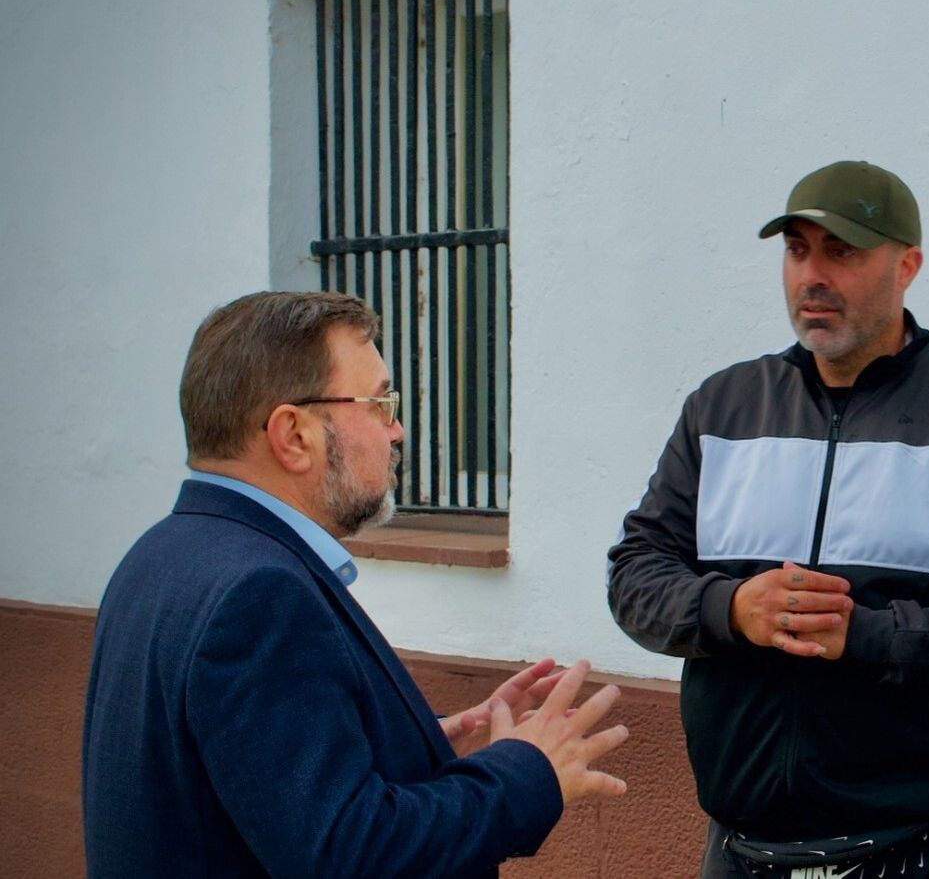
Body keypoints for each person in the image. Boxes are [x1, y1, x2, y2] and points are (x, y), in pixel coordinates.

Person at [607, 160, 929, 877]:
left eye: (843, 252)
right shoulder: (723, 407)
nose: (812, 276)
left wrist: (872, 634)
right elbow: (635, 573)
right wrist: (731, 607)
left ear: (908, 265)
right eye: (798, 251)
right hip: (745, 849)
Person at [82, 291, 629, 877]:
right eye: (379, 403)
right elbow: (349, 854)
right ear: (294, 435)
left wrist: (423, 748)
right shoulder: (259, 594)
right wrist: (526, 773)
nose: (395, 430)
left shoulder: (162, 554)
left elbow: (254, 784)